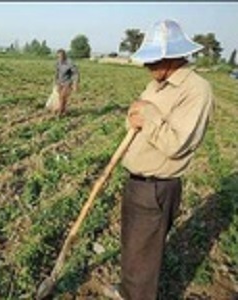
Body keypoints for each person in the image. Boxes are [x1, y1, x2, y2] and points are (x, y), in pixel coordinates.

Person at [117, 20, 214, 300]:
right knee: (133, 247)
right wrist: (136, 115)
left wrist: (147, 113)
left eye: (152, 61)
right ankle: (127, 291)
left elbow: (175, 144)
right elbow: (136, 123)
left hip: (157, 187)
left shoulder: (196, 90)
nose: (148, 67)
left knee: (145, 254)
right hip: (137, 182)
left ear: (172, 57)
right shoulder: (156, 85)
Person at [54, 49, 79, 116]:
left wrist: (75, 84)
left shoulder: (70, 62)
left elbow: (75, 73)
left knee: (62, 97)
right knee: (61, 98)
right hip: (60, 82)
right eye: (58, 56)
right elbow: (57, 72)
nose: (60, 58)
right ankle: (64, 110)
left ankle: (59, 113)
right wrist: (56, 83)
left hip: (67, 83)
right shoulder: (58, 62)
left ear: (64, 55)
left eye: (61, 56)